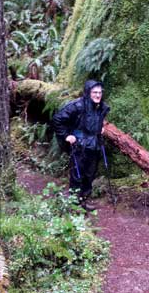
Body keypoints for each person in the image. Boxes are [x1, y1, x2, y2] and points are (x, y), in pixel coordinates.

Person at [52, 80, 110, 211]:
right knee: (77, 175)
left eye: (100, 92)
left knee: (89, 175)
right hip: (79, 146)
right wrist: (67, 135)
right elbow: (57, 119)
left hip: (94, 145)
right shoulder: (77, 105)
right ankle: (74, 205)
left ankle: (84, 201)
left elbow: (94, 121)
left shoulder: (101, 107)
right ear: (88, 92)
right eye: (95, 92)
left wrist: (100, 128)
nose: (98, 95)